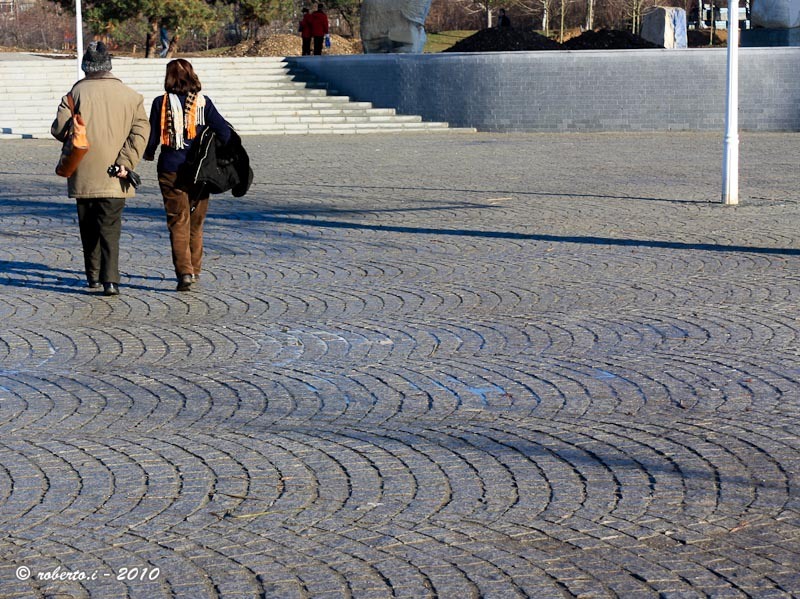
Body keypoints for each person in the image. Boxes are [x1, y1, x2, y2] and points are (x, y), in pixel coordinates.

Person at [51, 41, 149, 297]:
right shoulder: (131, 96)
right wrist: (125, 161)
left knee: (88, 227)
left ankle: (93, 276)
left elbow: (58, 129)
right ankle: (111, 281)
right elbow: (141, 132)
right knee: (110, 227)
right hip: (116, 173)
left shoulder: (75, 94)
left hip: (83, 170)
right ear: (109, 66)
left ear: (86, 67)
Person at [143, 59, 232, 292]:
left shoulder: (160, 103)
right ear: (192, 75)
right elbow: (224, 132)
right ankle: (196, 269)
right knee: (196, 222)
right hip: (200, 172)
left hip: (170, 169)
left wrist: (149, 153)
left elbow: (152, 137)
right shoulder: (203, 103)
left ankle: (184, 273)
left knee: (178, 221)